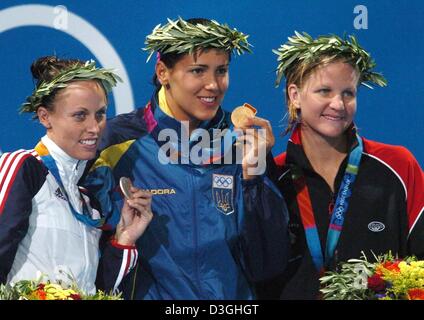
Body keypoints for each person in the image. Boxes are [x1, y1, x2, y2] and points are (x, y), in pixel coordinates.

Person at [84, 17, 289, 300]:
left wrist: (254, 175)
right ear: (163, 72)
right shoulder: (114, 142)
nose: (213, 85)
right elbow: (87, 250)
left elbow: (269, 262)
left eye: (221, 71)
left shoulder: (244, 140)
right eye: (198, 71)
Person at [256, 32, 424, 300]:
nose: (338, 104)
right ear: (295, 95)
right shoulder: (273, 179)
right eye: (325, 91)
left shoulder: (398, 166)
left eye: (348, 93)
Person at [0, 56, 153, 295]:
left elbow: (99, 291)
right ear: (44, 117)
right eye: (80, 115)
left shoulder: (89, 204)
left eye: (100, 114)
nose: (95, 127)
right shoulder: (25, 168)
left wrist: (124, 239)